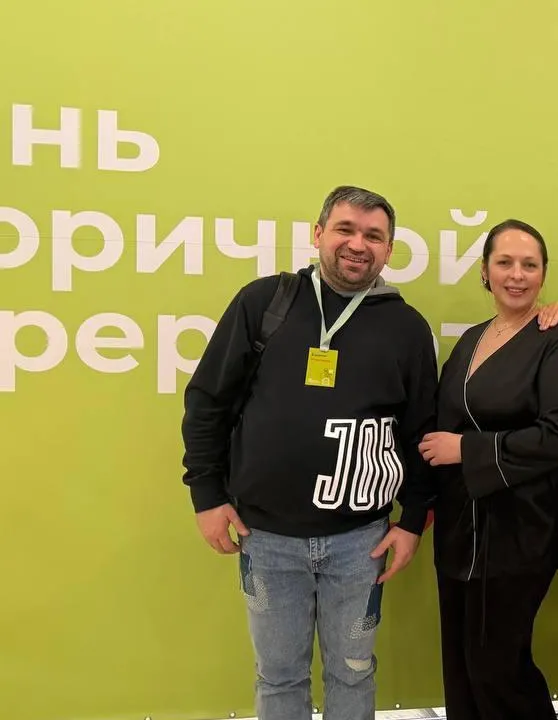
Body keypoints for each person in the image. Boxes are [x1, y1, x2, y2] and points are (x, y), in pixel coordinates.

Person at [180, 185, 438, 720]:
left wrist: (413, 520)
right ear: (318, 234)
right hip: (266, 537)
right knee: (278, 678)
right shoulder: (265, 302)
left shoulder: (407, 328)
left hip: (360, 541)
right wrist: (206, 494)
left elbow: (421, 432)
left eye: (374, 236)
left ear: (389, 250)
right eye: (345, 229)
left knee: (353, 672)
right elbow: (208, 401)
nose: (358, 244)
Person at [418, 219, 558, 720]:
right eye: (505, 263)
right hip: (460, 529)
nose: (517, 275)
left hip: (520, 532)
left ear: (543, 274)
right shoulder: (472, 339)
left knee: (498, 670)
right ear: (485, 271)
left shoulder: (557, 342)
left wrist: (467, 450)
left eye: (529, 265)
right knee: (461, 668)